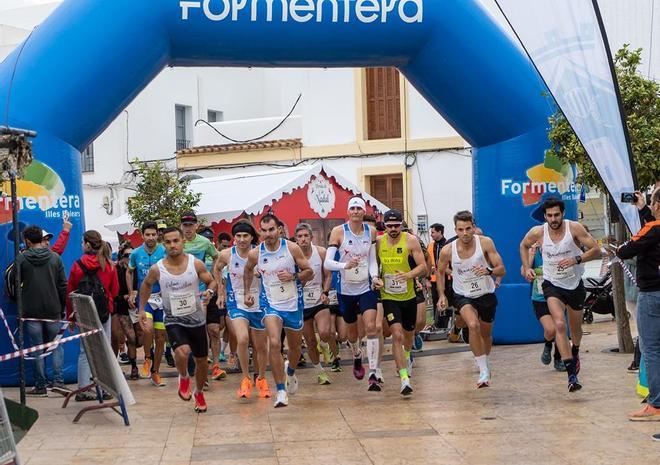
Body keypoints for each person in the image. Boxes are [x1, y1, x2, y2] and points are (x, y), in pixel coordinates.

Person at [520, 198, 601, 392]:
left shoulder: (574, 228)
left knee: (576, 329)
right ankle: (571, 375)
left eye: (556, 215)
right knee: (559, 324)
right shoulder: (538, 232)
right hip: (552, 283)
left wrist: (576, 259)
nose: (553, 219)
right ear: (545, 216)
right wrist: (526, 267)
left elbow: (596, 250)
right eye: (549, 215)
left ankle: (576, 350)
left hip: (574, 284)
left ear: (562, 213)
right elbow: (523, 245)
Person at [139, 227, 217, 413]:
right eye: (168, 242)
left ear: (183, 241)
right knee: (182, 352)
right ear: (163, 244)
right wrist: (141, 308)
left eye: (176, 241)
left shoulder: (195, 264)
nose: (172, 245)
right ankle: (183, 377)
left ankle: (198, 392)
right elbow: (146, 285)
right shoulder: (157, 268)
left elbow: (211, 280)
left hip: (197, 320)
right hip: (173, 319)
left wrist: (210, 291)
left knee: (201, 362)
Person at [243, 214, 313, 408]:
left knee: (295, 348)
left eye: (271, 230)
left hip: (293, 304)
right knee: (274, 342)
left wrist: (293, 276)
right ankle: (281, 391)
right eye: (264, 231)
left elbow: (309, 271)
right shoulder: (255, 253)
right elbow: (248, 270)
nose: (268, 234)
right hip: (270, 304)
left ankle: (290, 371)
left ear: (279, 230)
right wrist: (248, 292)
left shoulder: (291, 248)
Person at [437, 211, 505, 388]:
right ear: (456, 230)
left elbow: (501, 269)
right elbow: (440, 272)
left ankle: (484, 360)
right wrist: (442, 294)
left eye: (468, 228)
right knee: (473, 325)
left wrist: (489, 271)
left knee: (486, 334)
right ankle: (483, 370)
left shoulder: (485, 243)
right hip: (462, 295)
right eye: (461, 229)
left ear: (473, 227)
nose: (465, 233)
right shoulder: (447, 250)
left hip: (486, 294)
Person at [325, 197, 381, 389]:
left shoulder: (371, 231)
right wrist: (344, 265)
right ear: (348, 212)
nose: (356, 211)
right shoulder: (338, 231)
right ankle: (357, 354)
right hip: (346, 289)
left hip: (365, 287)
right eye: (353, 208)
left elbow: (372, 260)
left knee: (372, 327)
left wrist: (374, 278)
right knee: (352, 333)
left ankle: (373, 372)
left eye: (359, 208)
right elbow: (327, 262)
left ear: (363, 212)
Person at [616, 187, 660, 422]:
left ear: (659, 205)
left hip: (653, 295)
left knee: (651, 349)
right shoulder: (652, 226)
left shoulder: (653, 228)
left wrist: (618, 248)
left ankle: (657, 404)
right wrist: (643, 209)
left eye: (653, 203)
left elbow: (626, 250)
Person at [215, 220, 271, 400]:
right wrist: (221, 292)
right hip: (236, 301)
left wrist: (261, 273)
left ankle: (261, 379)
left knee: (261, 345)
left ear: (251, 237)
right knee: (242, 338)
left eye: (245, 235)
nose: (241, 239)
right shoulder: (227, 255)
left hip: (259, 301)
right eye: (238, 236)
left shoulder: (260, 252)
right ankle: (245, 378)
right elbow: (216, 269)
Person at [11, 226, 67, 396]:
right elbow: (63, 285)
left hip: (30, 311)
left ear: (27, 241)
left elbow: (14, 283)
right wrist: (63, 307)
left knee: (36, 348)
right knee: (56, 347)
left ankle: (40, 385)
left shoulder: (21, 259)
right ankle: (58, 382)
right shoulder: (55, 258)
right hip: (53, 309)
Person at [376, 210, 427, 395]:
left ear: (402, 224)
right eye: (389, 226)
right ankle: (404, 379)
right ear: (384, 227)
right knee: (396, 335)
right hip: (389, 296)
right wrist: (375, 279)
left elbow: (423, 266)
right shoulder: (379, 242)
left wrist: (409, 275)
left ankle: (407, 355)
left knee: (408, 334)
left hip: (409, 296)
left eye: (396, 226)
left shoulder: (411, 240)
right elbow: (373, 266)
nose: (393, 229)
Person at [66, 230, 119, 401]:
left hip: (83, 313)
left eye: (82, 242)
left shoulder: (77, 265)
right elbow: (115, 290)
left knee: (84, 351)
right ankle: (104, 388)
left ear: (88, 244)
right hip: (104, 313)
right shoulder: (109, 265)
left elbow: (71, 292)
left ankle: (83, 389)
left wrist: (71, 317)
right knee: (104, 349)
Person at [127, 221, 167, 386]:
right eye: (147, 234)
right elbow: (129, 272)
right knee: (147, 329)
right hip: (145, 299)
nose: (150, 237)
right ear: (142, 235)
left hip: (163, 299)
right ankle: (147, 357)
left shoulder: (165, 251)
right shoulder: (136, 253)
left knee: (160, 337)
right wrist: (131, 292)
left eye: (153, 234)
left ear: (158, 234)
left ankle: (156, 372)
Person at [295, 223, 334, 385]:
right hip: (301, 303)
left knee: (325, 332)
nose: (303, 239)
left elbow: (328, 275)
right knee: (310, 341)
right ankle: (320, 372)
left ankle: (324, 344)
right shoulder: (292, 256)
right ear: (296, 239)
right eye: (300, 236)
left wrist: (325, 292)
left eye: (306, 236)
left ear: (311, 237)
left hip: (319, 299)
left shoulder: (321, 252)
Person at [526, 243, 564, 371]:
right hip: (540, 298)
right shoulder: (534, 252)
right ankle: (548, 345)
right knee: (550, 330)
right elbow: (524, 273)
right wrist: (530, 257)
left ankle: (558, 358)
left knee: (560, 327)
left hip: (557, 296)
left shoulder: (557, 251)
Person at [199, 227, 227, 381]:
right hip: (198, 296)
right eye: (206, 239)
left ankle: (216, 366)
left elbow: (222, 277)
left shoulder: (217, 257)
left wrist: (221, 293)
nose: (208, 241)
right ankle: (202, 363)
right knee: (201, 333)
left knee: (215, 330)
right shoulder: (194, 256)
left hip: (213, 296)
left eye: (210, 239)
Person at [114, 242, 139, 379]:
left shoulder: (138, 269)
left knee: (139, 339)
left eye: (131, 255)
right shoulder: (117, 270)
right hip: (123, 308)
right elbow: (113, 293)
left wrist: (137, 293)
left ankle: (136, 357)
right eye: (126, 255)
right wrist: (124, 296)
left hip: (137, 307)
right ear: (121, 256)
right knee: (131, 337)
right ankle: (134, 367)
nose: (129, 257)